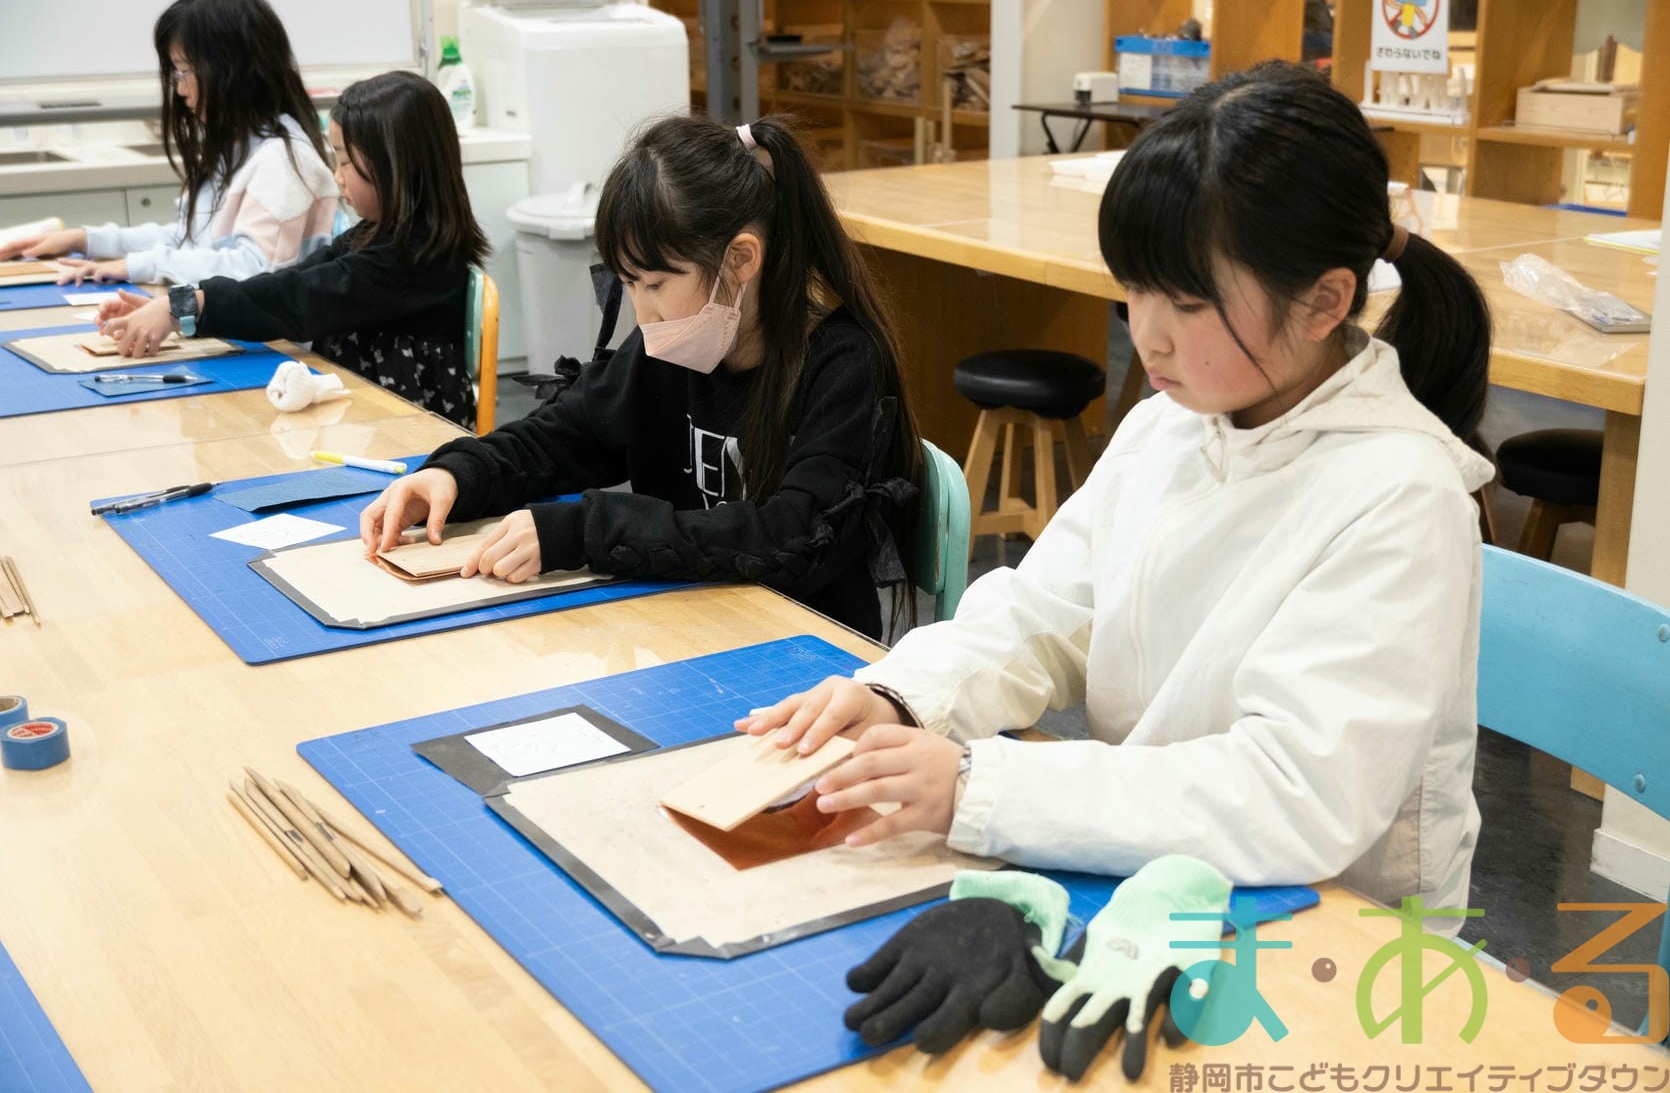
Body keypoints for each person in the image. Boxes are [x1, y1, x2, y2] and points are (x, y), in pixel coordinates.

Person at [745, 62, 1494, 921]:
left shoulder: (1402, 495)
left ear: (1325, 302)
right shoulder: (1171, 426)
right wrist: (904, 696)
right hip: (1157, 862)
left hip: (1337, 924)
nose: (1149, 336)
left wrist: (984, 787)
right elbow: (1046, 612)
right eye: (1134, 290)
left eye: (1188, 303)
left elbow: (1295, 793)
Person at [358, 115, 922, 637]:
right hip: (686, 622)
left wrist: (584, 531)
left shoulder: (843, 363)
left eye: (654, 285)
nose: (642, 314)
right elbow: (563, 435)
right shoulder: (676, 343)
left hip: (804, 648)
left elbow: (793, 536)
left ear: (741, 259)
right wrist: (457, 475)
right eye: (627, 284)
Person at [98, 72, 488, 429]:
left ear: (398, 165)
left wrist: (186, 306)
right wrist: (181, 310)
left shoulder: (413, 259)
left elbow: (296, 299)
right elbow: (292, 279)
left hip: (409, 432)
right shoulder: (376, 234)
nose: (337, 176)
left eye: (345, 161)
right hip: (364, 418)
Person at [0, 0, 336, 286]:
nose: (179, 89)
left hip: (268, 333)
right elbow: (190, 239)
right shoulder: (237, 147)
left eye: (184, 71)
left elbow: (253, 269)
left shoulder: (283, 160)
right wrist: (87, 240)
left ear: (230, 69)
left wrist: (137, 265)